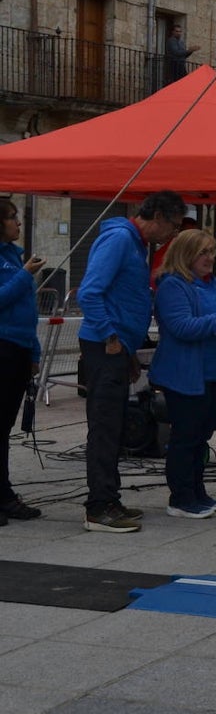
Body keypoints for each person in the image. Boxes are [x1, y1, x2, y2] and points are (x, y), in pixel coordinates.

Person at [78, 190, 187, 533]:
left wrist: (127, 350)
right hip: (104, 344)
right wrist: (111, 337)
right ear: (156, 217)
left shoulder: (137, 244)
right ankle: (98, 507)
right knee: (105, 426)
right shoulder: (120, 240)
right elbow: (89, 292)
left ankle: (109, 498)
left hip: (118, 346)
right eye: (172, 225)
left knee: (115, 424)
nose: (172, 234)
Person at [149, 230, 216, 518]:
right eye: (203, 252)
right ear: (186, 253)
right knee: (186, 436)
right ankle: (181, 497)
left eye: (212, 251)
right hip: (185, 375)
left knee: (202, 435)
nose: (210, 257)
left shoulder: (211, 282)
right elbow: (181, 326)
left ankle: (197, 489)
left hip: (212, 373)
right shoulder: (173, 286)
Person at [0, 200, 45, 524]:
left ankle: (3, 494)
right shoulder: (14, 263)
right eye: (12, 218)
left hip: (18, 347)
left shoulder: (12, 256)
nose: (18, 224)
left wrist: (33, 352)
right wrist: (25, 275)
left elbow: (28, 310)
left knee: (4, 428)